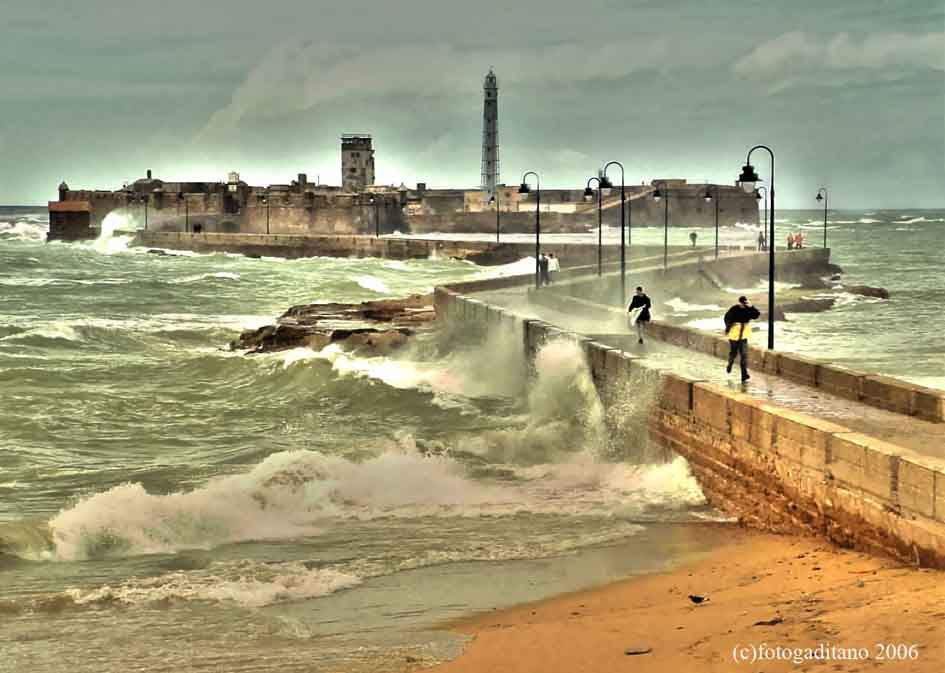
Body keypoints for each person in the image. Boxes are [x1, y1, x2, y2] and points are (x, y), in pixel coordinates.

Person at [723, 295, 761, 382]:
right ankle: (730, 364)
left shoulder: (748, 309)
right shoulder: (734, 309)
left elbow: (756, 315)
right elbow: (727, 318)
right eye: (742, 303)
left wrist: (751, 307)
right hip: (734, 335)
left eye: (745, 303)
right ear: (739, 302)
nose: (743, 305)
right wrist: (728, 328)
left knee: (744, 355)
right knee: (733, 353)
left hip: (744, 335)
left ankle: (744, 375)